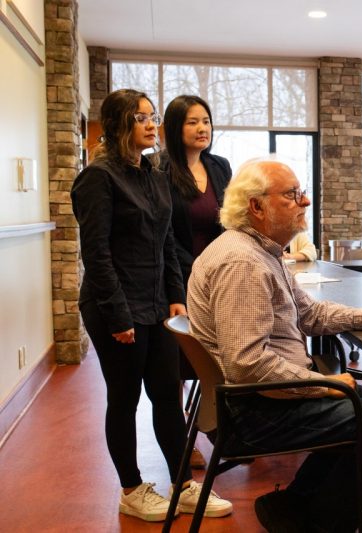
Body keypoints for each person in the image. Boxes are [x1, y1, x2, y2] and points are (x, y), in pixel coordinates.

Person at [187, 158, 362, 532]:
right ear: (257, 206)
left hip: (253, 398)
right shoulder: (243, 263)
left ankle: (296, 507)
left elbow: (309, 315)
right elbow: (247, 364)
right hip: (251, 410)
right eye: (292, 194)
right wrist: (321, 384)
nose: (305, 202)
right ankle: (320, 524)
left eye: (301, 192)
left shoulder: (261, 251)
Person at [71, 89, 231, 522]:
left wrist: (177, 297)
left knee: (165, 394)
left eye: (151, 115)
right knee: (123, 399)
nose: (149, 123)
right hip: (116, 307)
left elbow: (165, 244)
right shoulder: (99, 177)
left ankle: (183, 485)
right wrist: (118, 314)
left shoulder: (153, 174)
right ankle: (130, 488)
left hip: (159, 303)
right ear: (117, 124)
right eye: (139, 116)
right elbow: (97, 255)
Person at [161, 94, 232, 469]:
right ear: (175, 127)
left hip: (220, 280)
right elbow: (163, 234)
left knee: (221, 357)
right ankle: (182, 442)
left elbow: (233, 219)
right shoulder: (159, 170)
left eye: (205, 120)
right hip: (178, 276)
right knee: (180, 364)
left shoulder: (219, 167)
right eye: (192, 121)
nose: (202, 127)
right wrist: (196, 269)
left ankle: (225, 429)